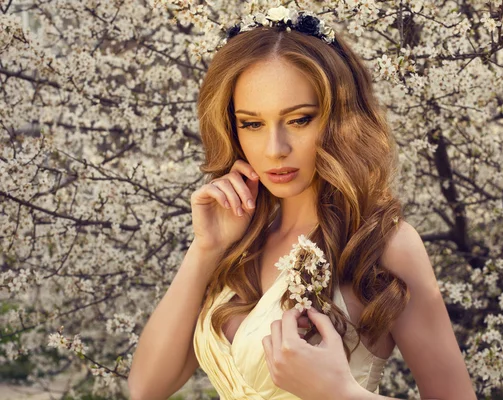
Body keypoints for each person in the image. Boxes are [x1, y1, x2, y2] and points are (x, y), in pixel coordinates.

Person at [128, 6, 477, 400]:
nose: (275, 149)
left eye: (299, 119)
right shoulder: (238, 244)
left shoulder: (385, 245)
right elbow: (145, 389)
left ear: (338, 120)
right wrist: (204, 249)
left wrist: (340, 393)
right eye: (252, 124)